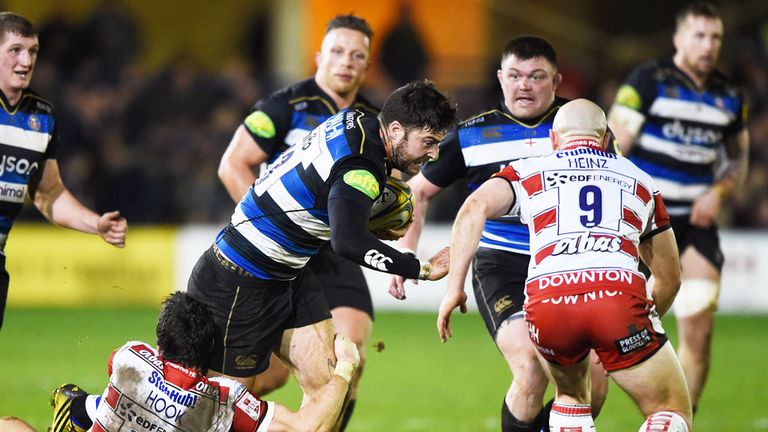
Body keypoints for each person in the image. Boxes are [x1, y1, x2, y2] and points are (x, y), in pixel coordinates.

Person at [191, 80, 456, 429]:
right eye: (429, 142)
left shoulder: (359, 119)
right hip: (239, 280)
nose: (433, 154)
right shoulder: (362, 165)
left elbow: (334, 194)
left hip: (287, 273)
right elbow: (348, 241)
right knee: (217, 414)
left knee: (329, 385)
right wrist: (420, 267)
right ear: (394, 130)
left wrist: (363, 207)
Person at [390, 35, 608, 431]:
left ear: (557, 81)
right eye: (515, 75)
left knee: (595, 380)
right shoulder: (471, 134)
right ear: (500, 78)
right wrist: (406, 258)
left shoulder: (582, 128)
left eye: (536, 76)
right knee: (530, 368)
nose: (524, 85)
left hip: (569, 262)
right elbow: (417, 192)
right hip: (501, 263)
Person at [439, 99, 693, 431]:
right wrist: (632, 327)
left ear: (555, 140)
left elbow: (473, 207)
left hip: (548, 302)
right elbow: (669, 277)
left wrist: (453, 288)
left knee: (571, 399)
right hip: (616, 294)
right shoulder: (639, 178)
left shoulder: (528, 170)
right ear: (605, 141)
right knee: (669, 408)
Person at [217, 14, 378, 428]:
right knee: (264, 376)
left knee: (352, 348)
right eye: (338, 52)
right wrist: (274, 225)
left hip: (335, 249)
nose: (345, 61)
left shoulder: (373, 122)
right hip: (280, 251)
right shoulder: (285, 105)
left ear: (366, 64)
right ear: (319, 55)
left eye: (356, 55)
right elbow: (233, 165)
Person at [608, 2, 749, 414]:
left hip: (696, 226)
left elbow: (737, 164)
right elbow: (613, 147)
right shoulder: (648, 81)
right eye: (699, 36)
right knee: (617, 326)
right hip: (645, 226)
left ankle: (678, 420)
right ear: (678, 38)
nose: (709, 45)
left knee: (699, 330)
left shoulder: (729, 96)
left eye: (716, 37)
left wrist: (718, 193)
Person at [49, 291, 362, 432]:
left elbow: (116, 385)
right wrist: (346, 366)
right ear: (211, 347)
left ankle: (75, 409)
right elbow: (309, 428)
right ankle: (76, 408)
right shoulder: (223, 399)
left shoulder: (130, 357)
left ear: (160, 343)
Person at [0, 12, 127, 330]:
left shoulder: (41, 116)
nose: (26, 61)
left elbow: (49, 193)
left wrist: (94, 222)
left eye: (32, 51)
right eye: (15, 50)